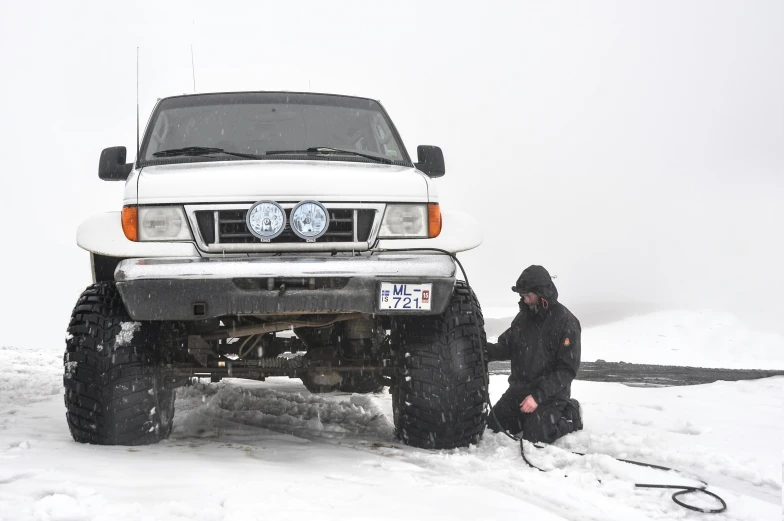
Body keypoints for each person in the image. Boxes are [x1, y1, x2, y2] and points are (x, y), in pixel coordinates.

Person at [485, 265, 583, 443]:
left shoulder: (566, 322)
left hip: (550, 396)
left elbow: (567, 370)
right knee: (494, 426)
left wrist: (538, 397)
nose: (526, 300)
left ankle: (571, 414)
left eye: (529, 295)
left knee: (536, 437)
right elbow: (506, 347)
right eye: (523, 296)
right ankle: (527, 419)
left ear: (543, 292)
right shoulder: (523, 318)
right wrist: (482, 351)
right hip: (518, 391)